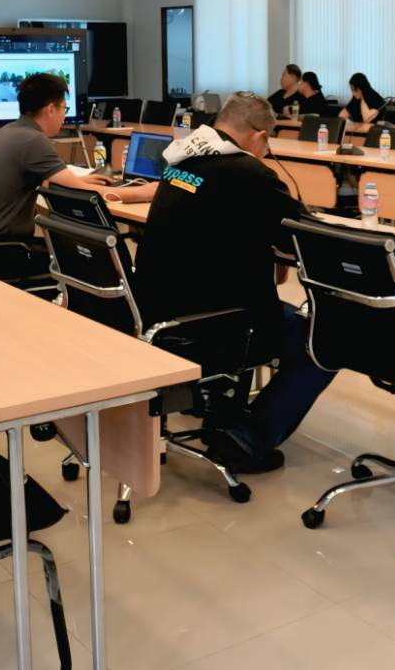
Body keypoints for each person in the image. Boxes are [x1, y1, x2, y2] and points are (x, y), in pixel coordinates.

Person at [133, 91, 337, 471]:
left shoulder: (181, 158)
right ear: (260, 137)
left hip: (156, 310)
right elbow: (304, 237)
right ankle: (246, 440)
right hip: (220, 320)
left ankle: (216, 407)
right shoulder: (249, 173)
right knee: (325, 341)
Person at [0, 73, 155, 245]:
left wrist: (78, 180)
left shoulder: (9, 131)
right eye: (64, 108)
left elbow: (42, 181)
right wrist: (144, 192)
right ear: (50, 109)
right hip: (5, 251)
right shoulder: (33, 139)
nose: (64, 116)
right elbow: (86, 194)